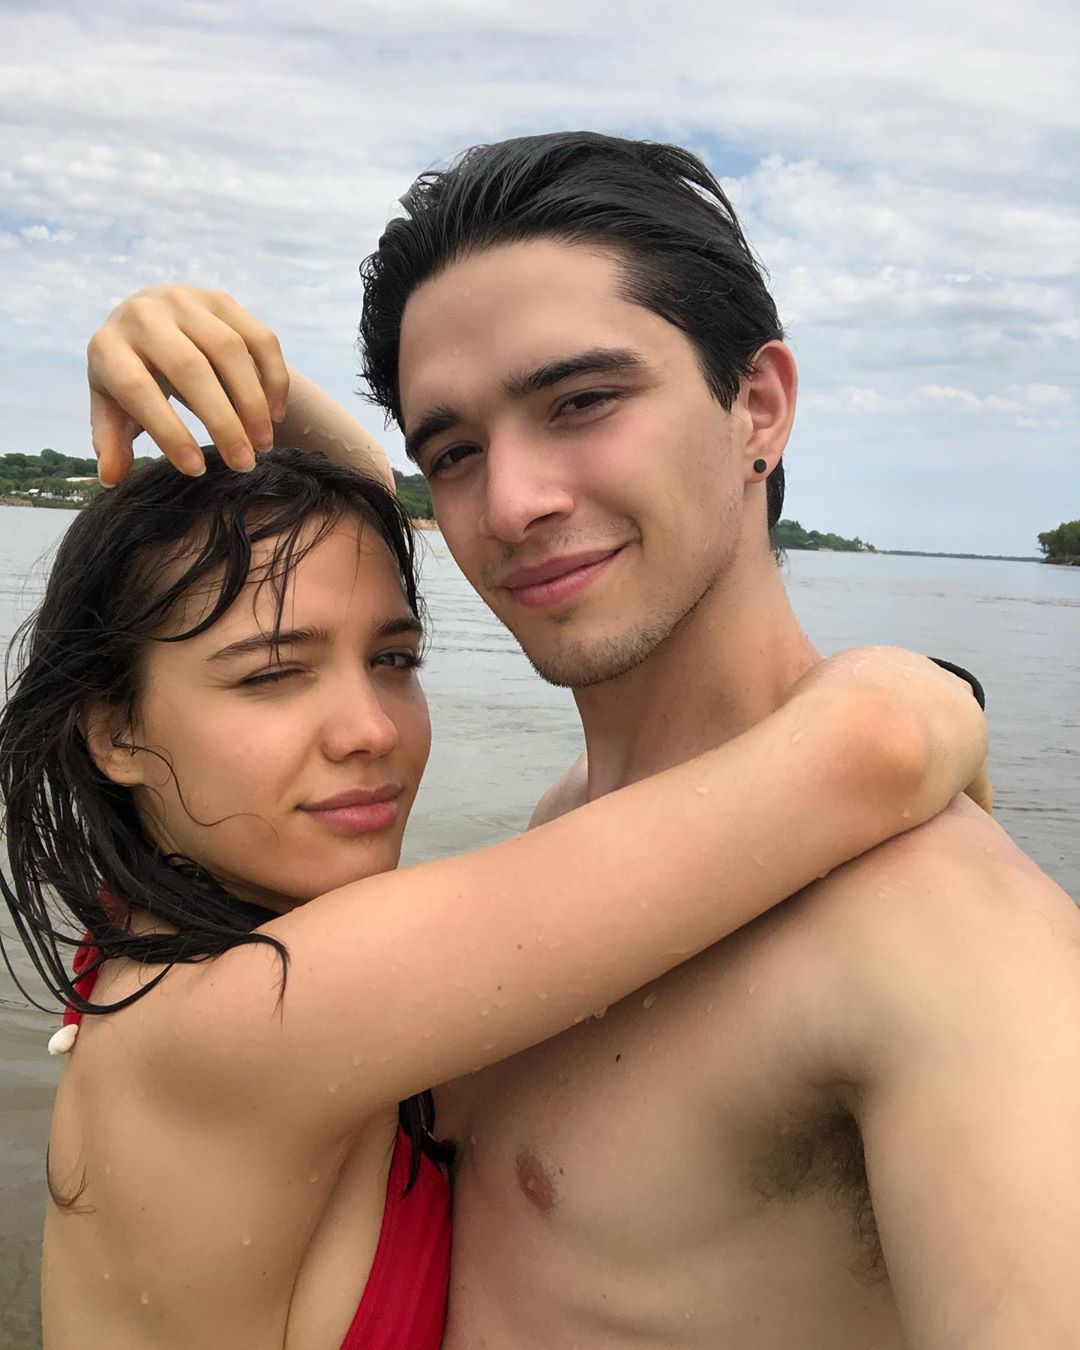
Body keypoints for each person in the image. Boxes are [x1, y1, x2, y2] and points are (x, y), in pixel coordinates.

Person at [84, 138, 1077, 1349]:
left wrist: (900, 716)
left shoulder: (943, 937)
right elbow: (351, 556)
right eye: (453, 452)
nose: (511, 505)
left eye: (584, 402)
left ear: (758, 408)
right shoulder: (572, 838)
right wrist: (235, 377)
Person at [1, 442, 984, 1350]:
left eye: (393, 659)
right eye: (274, 674)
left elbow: (350, 525)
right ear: (115, 734)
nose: (369, 729)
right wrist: (941, 691)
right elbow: (880, 750)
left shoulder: (154, 934)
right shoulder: (258, 1012)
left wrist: (253, 389)